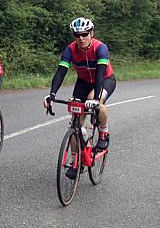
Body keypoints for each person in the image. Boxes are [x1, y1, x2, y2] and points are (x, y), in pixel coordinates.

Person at [43, 17, 116, 162]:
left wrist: (95, 99)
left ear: (91, 33)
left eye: (84, 34)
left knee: (93, 100)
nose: (81, 38)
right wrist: (52, 94)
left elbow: (100, 75)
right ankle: (75, 160)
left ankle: (103, 133)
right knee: (75, 122)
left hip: (104, 80)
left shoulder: (100, 48)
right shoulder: (70, 49)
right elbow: (60, 72)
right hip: (83, 82)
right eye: (77, 35)